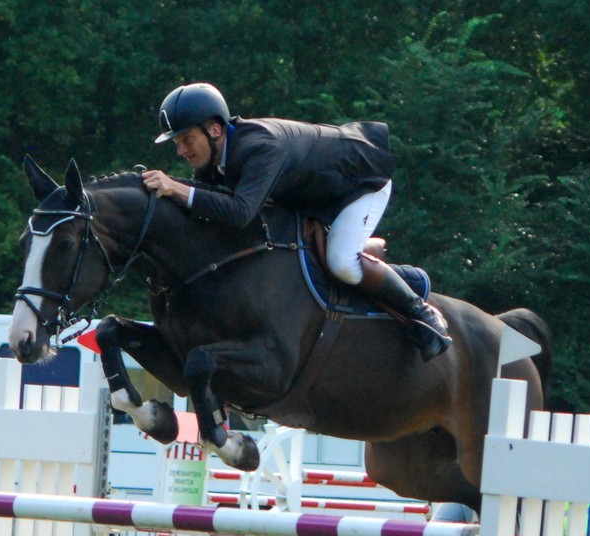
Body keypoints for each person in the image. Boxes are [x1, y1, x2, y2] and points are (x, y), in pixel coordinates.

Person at [143, 82, 451, 361]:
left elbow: (239, 213)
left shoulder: (260, 148)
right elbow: (205, 205)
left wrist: (177, 188)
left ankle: (420, 310)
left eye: (186, 139)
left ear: (213, 129)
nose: (181, 150)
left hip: (359, 183)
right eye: (176, 143)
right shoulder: (216, 158)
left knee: (341, 261)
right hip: (314, 195)